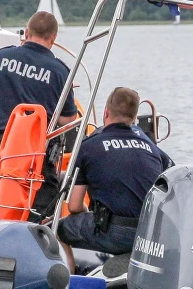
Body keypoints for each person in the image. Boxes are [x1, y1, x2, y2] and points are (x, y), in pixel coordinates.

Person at [57, 86, 173, 271]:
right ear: (134, 118)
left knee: (60, 228)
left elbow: (74, 206)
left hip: (115, 233)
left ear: (106, 112)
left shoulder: (89, 146)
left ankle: (70, 283)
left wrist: (87, 214)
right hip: (150, 233)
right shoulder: (151, 147)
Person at [0, 11, 78, 205]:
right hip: (37, 155)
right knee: (36, 215)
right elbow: (69, 119)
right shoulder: (59, 71)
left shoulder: (2, 56)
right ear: (54, 37)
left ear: (27, 32)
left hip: (2, 152)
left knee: (0, 209)